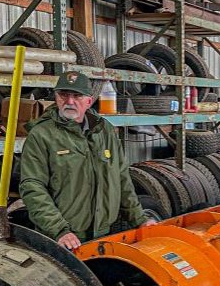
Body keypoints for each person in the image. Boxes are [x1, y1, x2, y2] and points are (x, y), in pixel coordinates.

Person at [20, 71, 155, 250]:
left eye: (77, 96)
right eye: (63, 95)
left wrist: (140, 219)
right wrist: (59, 230)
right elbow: (32, 187)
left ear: (89, 101)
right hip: (63, 239)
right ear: (56, 97)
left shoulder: (103, 130)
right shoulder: (42, 135)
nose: (69, 101)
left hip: (104, 233)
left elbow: (121, 177)